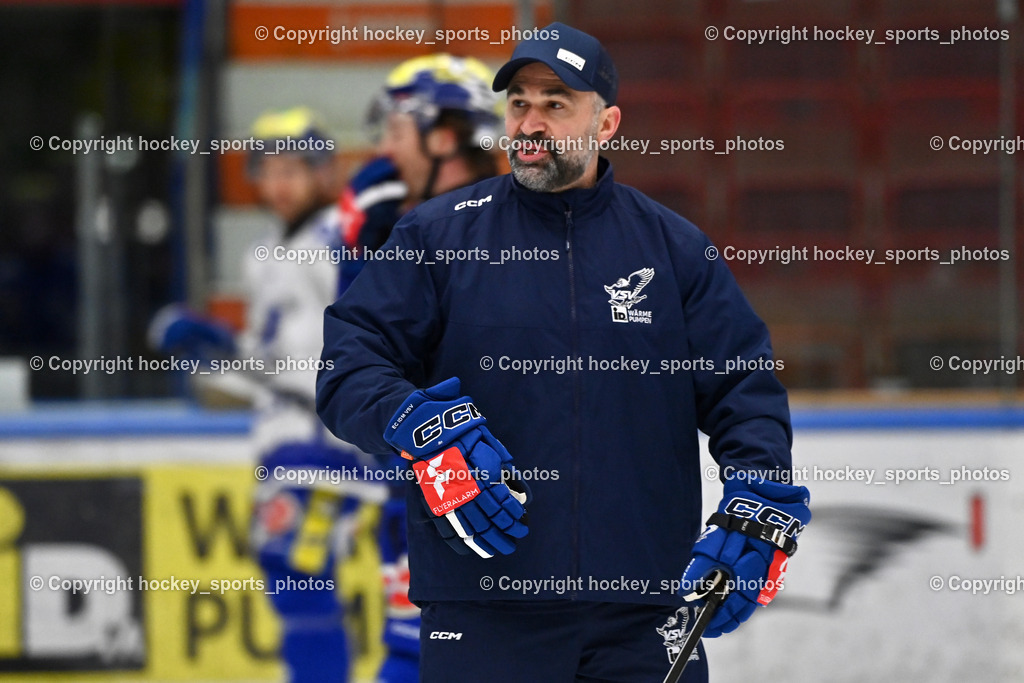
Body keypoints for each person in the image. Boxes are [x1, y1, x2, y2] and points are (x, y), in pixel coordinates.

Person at [316, 23, 811, 683]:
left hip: (643, 614)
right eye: (519, 102)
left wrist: (758, 491)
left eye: (556, 103)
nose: (531, 121)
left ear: (605, 123)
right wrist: (415, 422)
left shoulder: (674, 249)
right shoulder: (436, 237)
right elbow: (348, 363)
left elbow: (742, 386)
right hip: (483, 611)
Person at [150, 107, 383, 683]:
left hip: (324, 444)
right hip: (285, 439)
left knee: (298, 573)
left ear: (326, 173)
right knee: (294, 578)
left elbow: (366, 334)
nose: (278, 184)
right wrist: (219, 345)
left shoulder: (337, 238)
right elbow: (273, 362)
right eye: (268, 170)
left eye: (294, 169)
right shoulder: (265, 254)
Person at [333, 55, 503, 683]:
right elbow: (358, 358)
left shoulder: (515, 229)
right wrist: (367, 250)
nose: (383, 150)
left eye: (395, 134)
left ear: (442, 137)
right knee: (411, 654)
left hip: (495, 493)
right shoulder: (399, 224)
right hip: (416, 488)